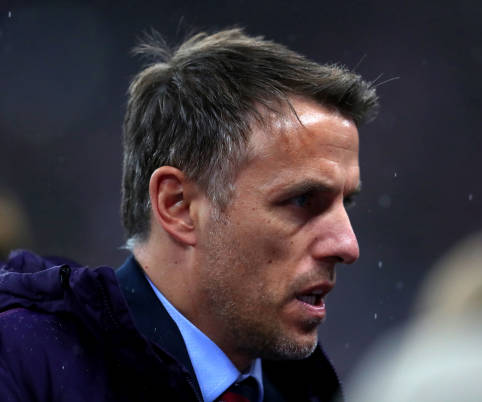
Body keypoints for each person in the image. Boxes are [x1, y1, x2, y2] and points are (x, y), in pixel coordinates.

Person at [0, 28, 378, 402]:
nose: (347, 245)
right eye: (303, 199)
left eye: (346, 203)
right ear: (178, 206)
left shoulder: (307, 389)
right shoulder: (26, 364)